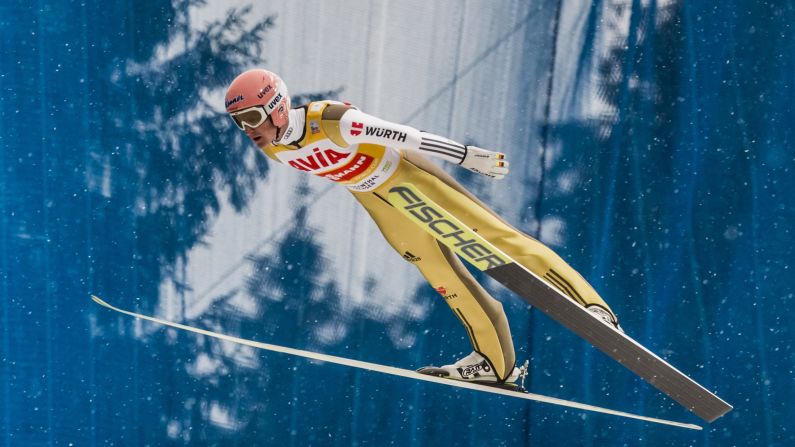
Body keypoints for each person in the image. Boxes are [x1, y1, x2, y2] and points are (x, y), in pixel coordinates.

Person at [225, 69, 621, 385]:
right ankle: (494, 361)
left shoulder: (331, 121)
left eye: (252, 117)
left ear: (277, 107)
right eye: (239, 123)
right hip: (376, 199)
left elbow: (405, 135)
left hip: (407, 176)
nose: (248, 130)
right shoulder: (275, 150)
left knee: (496, 238)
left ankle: (592, 306)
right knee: (437, 270)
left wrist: (465, 156)